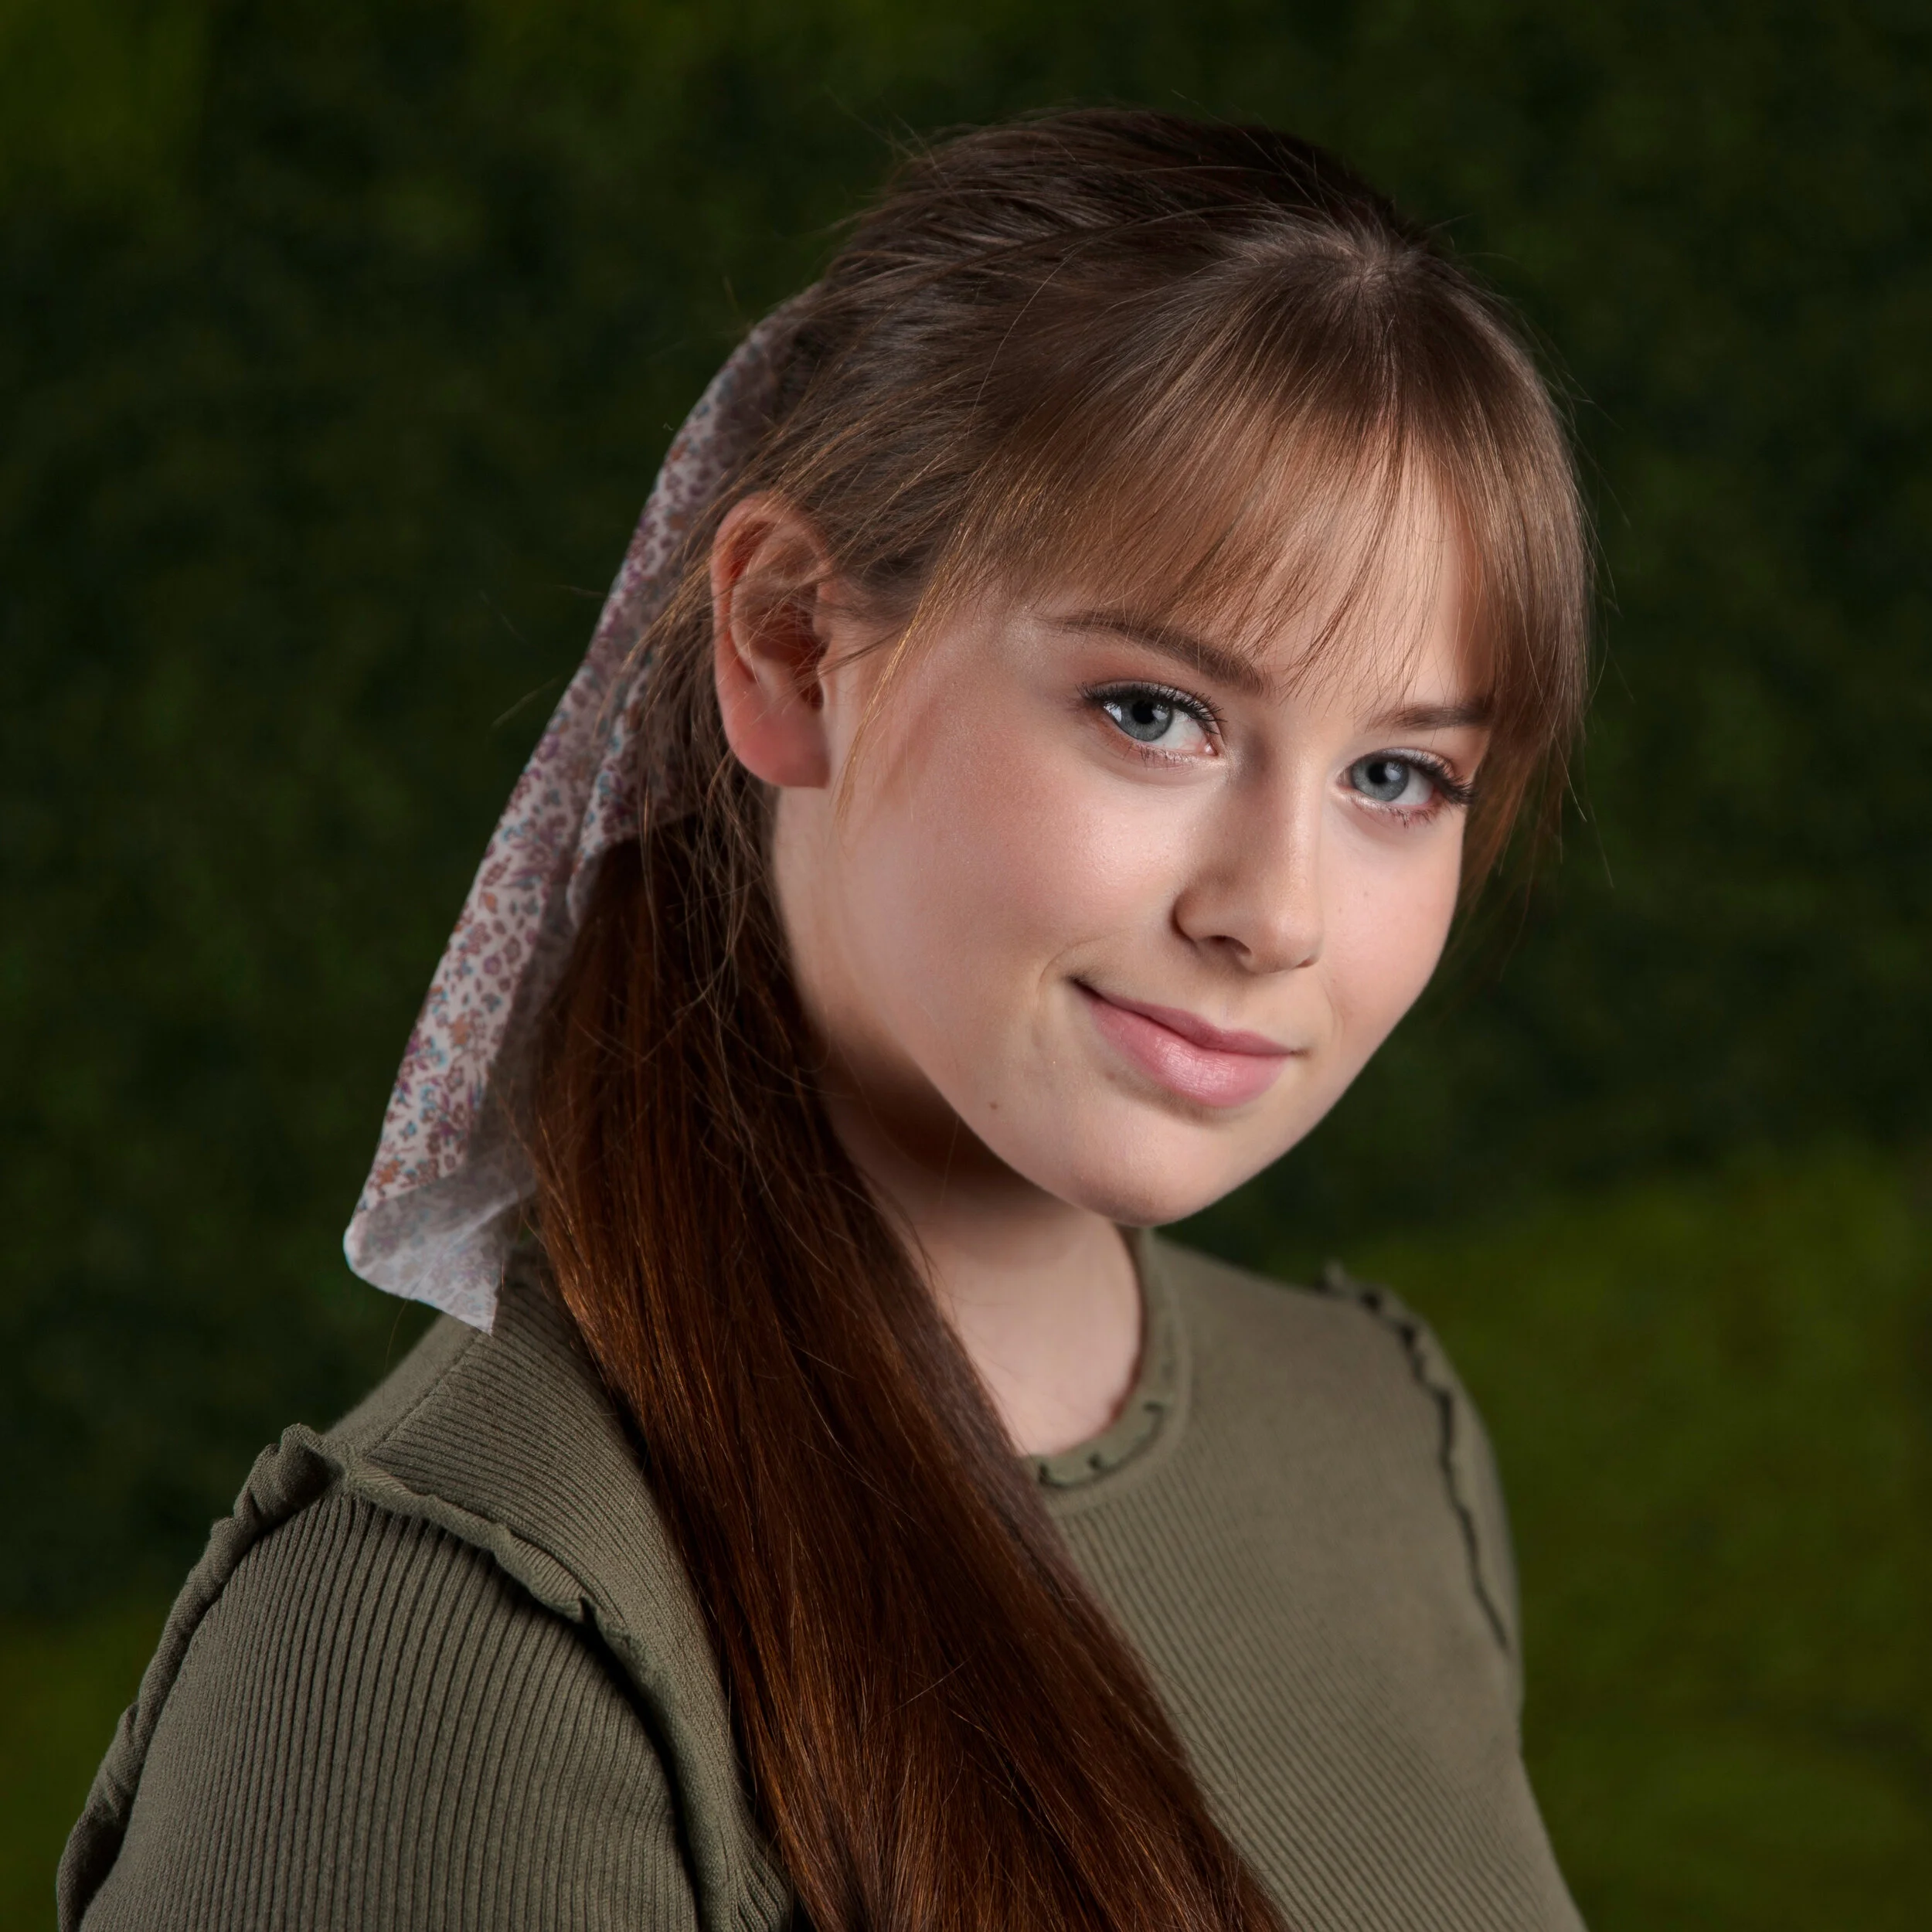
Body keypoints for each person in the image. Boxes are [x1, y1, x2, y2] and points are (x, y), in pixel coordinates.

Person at [60, 110, 1590, 1932]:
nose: (1275, 912)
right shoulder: (437, 1640)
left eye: (1397, 773)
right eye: (1152, 712)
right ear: (790, 644)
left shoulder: (1382, 1441)